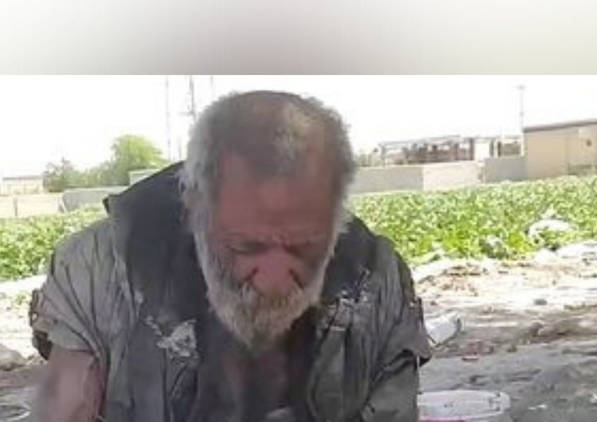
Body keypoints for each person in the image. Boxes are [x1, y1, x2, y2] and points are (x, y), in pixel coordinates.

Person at [29, 91, 431, 422]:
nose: (273, 282)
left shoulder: (377, 281)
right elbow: (65, 407)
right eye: (247, 247)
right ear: (194, 208)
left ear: (335, 219)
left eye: (303, 248)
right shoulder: (102, 269)